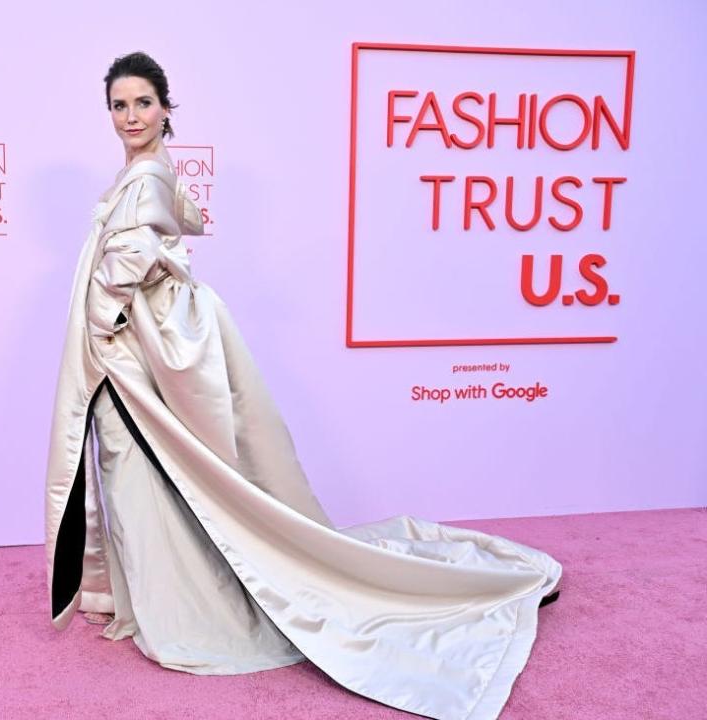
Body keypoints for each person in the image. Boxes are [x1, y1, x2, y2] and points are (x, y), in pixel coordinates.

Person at [44, 51, 562, 720]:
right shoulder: (146, 175)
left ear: (167, 108)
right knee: (155, 478)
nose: (131, 116)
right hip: (139, 346)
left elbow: (130, 263)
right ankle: (157, 596)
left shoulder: (144, 179)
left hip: (125, 352)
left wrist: (99, 324)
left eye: (143, 102)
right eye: (119, 105)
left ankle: (176, 609)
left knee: (137, 474)